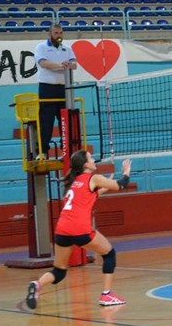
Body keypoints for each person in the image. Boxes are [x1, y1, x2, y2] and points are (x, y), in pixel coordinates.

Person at [25, 150, 131, 309]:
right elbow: (121, 185)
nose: (93, 160)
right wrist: (126, 173)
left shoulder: (74, 183)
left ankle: (37, 284)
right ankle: (106, 294)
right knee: (109, 254)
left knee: (59, 271)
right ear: (85, 165)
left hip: (62, 229)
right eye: (90, 158)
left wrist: (105, 185)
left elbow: (90, 195)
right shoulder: (94, 178)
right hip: (80, 228)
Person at [34, 23, 78, 158]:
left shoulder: (67, 48)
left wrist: (69, 65)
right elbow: (43, 63)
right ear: (50, 34)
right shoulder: (41, 47)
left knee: (65, 121)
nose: (59, 35)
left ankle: (66, 150)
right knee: (46, 121)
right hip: (47, 88)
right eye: (56, 33)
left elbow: (74, 65)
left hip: (64, 89)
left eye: (60, 33)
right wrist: (60, 65)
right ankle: (42, 151)